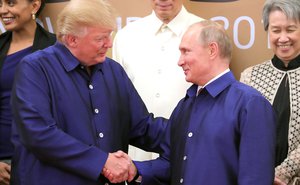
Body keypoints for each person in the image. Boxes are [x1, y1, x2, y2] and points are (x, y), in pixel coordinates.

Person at [9, 0, 167, 184]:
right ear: (72, 39)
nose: (108, 44)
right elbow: (38, 134)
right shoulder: (35, 68)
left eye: (109, 36)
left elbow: (141, 127)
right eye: (100, 38)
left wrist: (191, 134)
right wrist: (101, 161)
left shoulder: (113, 70)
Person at [134, 20, 277, 185]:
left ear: (212, 50)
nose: (180, 61)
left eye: (186, 51)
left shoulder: (251, 104)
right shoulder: (184, 105)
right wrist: (134, 169)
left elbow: (255, 179)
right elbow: (171, 164)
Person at [112, 0, 204, 161]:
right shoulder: (126, 36)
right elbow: (117, 99)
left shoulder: (207, 32)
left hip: (191, 152)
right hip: (136, 158)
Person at [240, 0, 300, 184]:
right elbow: (239, 131)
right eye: (276, 30)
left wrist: (281, 174)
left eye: (290, 30)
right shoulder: (250, 76)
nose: (283, 38)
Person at [0, 0, 56, 184]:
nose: (3, 10)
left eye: (10, 3)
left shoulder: (56, 49)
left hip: (42, 164)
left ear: (35, 6)